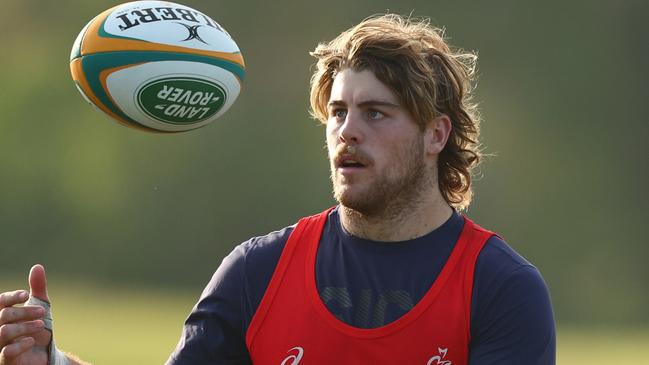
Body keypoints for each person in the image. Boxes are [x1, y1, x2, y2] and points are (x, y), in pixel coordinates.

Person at [0, 14, 555, 365]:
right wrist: (50, 363)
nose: (348, 131)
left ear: (437, 133)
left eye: (376, 113)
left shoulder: (501, 290)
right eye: (338, 112)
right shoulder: (257, 272)